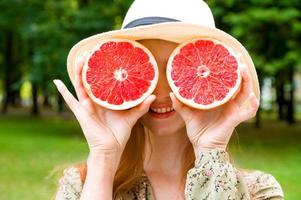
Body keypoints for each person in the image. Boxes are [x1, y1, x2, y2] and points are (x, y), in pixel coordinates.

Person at [53, 0, 284, 199]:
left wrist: (210, 149)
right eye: (145, 70)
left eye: (177, 70)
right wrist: (104, 157)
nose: (161, 91)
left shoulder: (258, 191)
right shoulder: (82, 185)